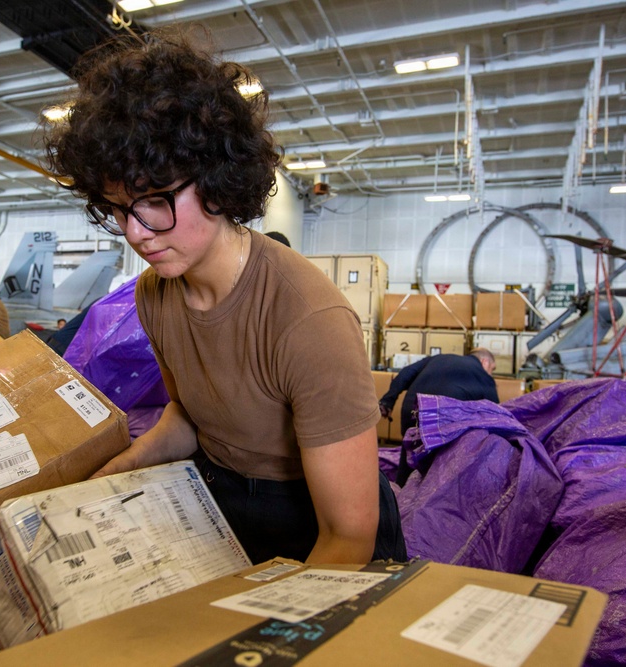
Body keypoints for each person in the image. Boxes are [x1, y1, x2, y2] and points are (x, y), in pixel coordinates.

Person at [46, 30, 405, 566]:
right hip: (222, 502)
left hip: (314, 526)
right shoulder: (154, 293)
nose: (136, 233)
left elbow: (347, 535)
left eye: (154, 201)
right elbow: (189, 419)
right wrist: (112, 473)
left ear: (216, 176)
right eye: (118, 209)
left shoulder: (309, 318)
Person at [379, 348, 500, 437]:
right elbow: (496, 414)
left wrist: (388, 401)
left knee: (409, 458)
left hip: (412, 410)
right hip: (442, 419)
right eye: (492, 369)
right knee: (439, 466)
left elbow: (405, 373)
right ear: (485, 362)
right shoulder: (482, 374)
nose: (491, 374)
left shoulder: (437, 358)